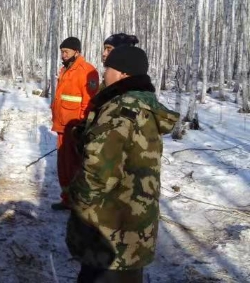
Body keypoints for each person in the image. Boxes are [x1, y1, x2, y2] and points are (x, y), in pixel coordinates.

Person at [66, 46, 180, 283]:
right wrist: (86, 133)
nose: (104, 72)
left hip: (110, 229)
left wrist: (76, 198)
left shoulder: (119, 109)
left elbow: (98, 171)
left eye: (108, 68)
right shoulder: (144, 106)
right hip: (134, 228)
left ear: (123, 73)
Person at [51, 37, 99, 210]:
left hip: (74, 128)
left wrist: (82, 126)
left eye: (66, 52)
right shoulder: (65, 69)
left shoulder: (87, 71)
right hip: (61, 126)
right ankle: (67, 199)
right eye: (62, 52)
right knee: (63, 166)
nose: (63, 55)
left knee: (75, 166)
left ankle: (78, 202)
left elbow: (89, 103)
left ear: (77, 52)